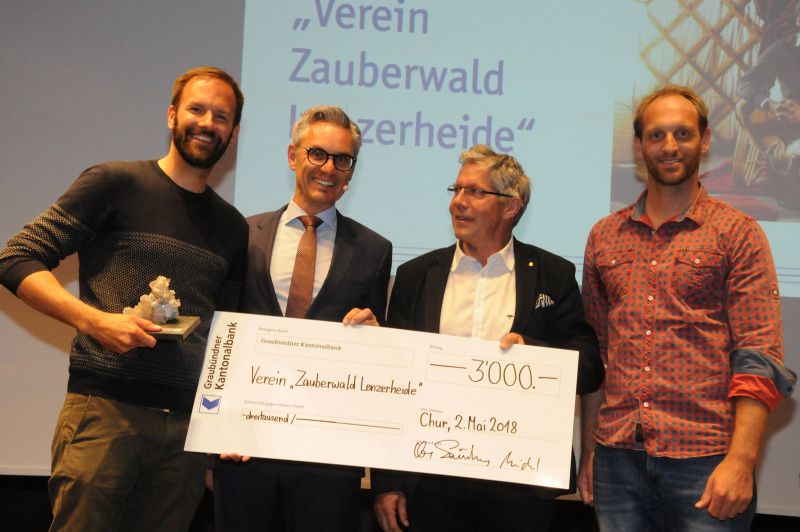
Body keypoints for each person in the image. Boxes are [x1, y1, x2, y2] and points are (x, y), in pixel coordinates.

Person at [0, 66, 248, 531]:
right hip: (106, 412)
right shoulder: (115, 182)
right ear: (172, 115)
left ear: (233, 134)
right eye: (196, 109)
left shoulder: (233, 227)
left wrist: (225, 424)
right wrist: (93, 321)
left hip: (185, 436)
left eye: (221, 116)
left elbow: (226, 335)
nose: (207, 123)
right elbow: (15, 258)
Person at [579, 85, 796, 531]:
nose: (670, 146)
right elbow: (597, 356)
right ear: (639, 146)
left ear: (705, 139)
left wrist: (742, 460)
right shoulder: (604, 236)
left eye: (683, 133)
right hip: (617, 461)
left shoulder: (738, 233)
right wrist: (590, 453)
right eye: (656, 135)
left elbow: (759, 357)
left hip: (707, 462)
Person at [371, 144, 604, 532]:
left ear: (511, 206)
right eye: (456, 190)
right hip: (432, 479)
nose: (458, 202)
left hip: (520, 481)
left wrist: (536, 356)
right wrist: (388, 481)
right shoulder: (416, 276)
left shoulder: (553, 274)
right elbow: (395, 383)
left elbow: (590, 367)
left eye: (475, 192)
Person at [213, 105, 392, 532]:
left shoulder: (374, 249)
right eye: (317, 154)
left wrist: (376, 339)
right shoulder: (241, 233)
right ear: (293, 156)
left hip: (327, 456)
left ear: (351, 172)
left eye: (343, 159)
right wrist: (213, 432)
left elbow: (379, 358)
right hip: (244, 446)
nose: (329, 168)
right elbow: (219, 334)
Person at [735, 2, 800, 207]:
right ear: (798, 20)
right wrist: (770, 105)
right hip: (787, 122)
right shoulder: (784, 48)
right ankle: (777, 152)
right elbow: (747, 82)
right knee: (744, 108)